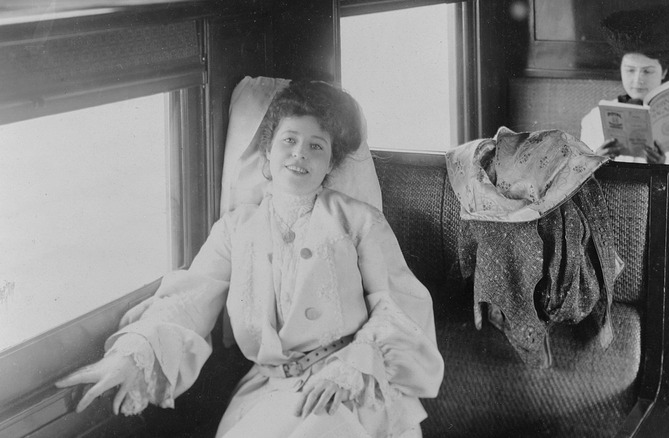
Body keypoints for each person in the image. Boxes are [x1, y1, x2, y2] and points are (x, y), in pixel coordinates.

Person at [56, 81, 444, 438]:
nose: (299, 155)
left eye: (316, 146)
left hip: (350, 385)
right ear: (268, 152)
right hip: (268, 389)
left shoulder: (360, 222)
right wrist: (133, 354)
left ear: (330, 165)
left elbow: (399, 306)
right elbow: (189, 302)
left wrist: (356, 363)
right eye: (289, 140)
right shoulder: (235, 229)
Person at [579, 6, 669, 216]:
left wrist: (666, 166)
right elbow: (580, 186)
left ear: (663, 71)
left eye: (647, 71)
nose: (637, 80)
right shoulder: (595, 119)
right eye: (629, 70)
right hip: (610, 218)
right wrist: (595, 162)